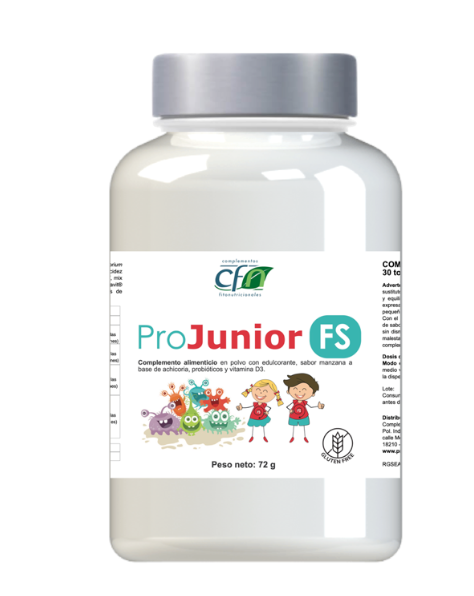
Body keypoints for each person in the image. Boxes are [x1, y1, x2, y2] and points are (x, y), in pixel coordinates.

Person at [283, 373, 324, 443]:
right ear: (288, 391)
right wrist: (290, 410)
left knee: (303, 427)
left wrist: (318, 406)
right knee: (294, 427)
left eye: (304, 389)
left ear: (313, 393)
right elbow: (287, 407)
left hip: (303, 416)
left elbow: (310, 406)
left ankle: (304, 436)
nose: (299, 391)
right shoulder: (294, 402)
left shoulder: (304, 403)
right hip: (294, 416)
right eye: (295, 388)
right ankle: (293, 436)